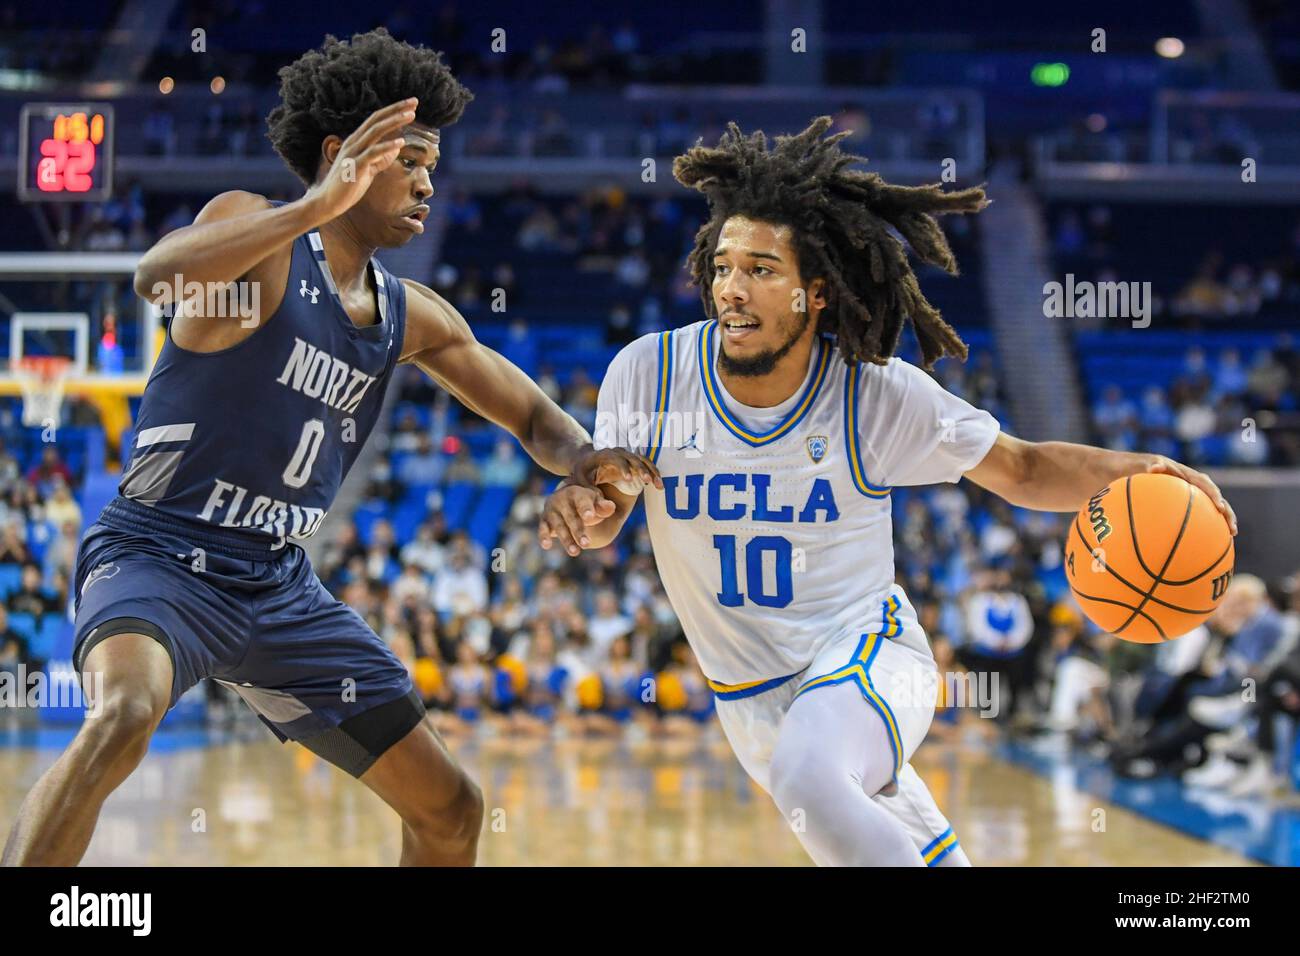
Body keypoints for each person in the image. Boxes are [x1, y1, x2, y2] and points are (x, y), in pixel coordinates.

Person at [2, 28, 653, 868]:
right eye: (410, 160)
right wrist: (314, 206)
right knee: (125, 713)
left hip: (278, 585)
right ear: (344, 154)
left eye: (432, 165)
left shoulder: (409, 313)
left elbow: (535, 420)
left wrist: (587, 464)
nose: (428, 181)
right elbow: (158, 278)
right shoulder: (259, 241)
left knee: (453, 811)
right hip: (159, 557)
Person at [538, 117, 1237, 866]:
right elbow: (609, 507)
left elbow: (1023, 469)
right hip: (749, 703)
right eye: (723, 265)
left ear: (816, 293)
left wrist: (1143, 472)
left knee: (810, 775)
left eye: (762, 270)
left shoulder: (873, 396)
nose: (732, 289)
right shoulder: (647, 372)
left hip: (869, 658)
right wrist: (584, 504)